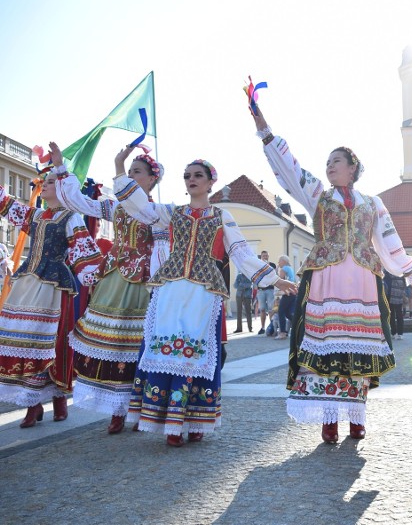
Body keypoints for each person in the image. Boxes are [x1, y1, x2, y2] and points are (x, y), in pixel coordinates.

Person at [252, 105, 412, 444]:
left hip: (361, 280)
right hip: (327, 277)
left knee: (358, 347)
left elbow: (389, 239)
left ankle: (356, 415)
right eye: (328, 162)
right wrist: (265, 131)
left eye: (336, 161)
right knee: (327, 346)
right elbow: (291, 170)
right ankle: (329, 418)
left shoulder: (372, 203)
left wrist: (409, 273)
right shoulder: (319, 195)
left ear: (352, 168)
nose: (329, 166)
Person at [118, 159, 296, 447]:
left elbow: (241, 253)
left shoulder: (221, 216)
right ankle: (170, 422)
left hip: (204, 293)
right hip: (171, 290)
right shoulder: (171, 214)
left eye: (198, 175)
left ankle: (196, 418)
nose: (191, 179)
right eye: (187, 175)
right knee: (167, 350)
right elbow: (139, 206)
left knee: (196, 354)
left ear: (211, 181)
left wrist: (275, 280)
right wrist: (118, 169)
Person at [49, 143, 168, 434]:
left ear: (152, 179)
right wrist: (61, 168)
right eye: (129, 172)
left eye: (137, 172)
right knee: (111, 344)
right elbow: (79, 202)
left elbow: (164, 250)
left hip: (142, 280)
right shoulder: (115, 207)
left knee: (137, 346)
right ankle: (117, 409)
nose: (130, 177)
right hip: (113, 277)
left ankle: (138, 407)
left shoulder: (157, 211)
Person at [0, 160, 102, 428]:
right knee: (24, 341)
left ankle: (57, 398)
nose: (42, 186)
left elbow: (84, 251)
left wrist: (97, 280)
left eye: (49, 183)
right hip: (27, 282)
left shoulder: (70, 217)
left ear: (62, 189)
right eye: (42, 182)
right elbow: (7, 204)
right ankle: (32, 403)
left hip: (53, 285)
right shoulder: (34, 215)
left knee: (51, 343)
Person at [276, 255, 297, 339]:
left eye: (279, 261)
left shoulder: (284, 268)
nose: (278, 263)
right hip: (293, 291)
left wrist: (276, 270)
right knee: (288, 313)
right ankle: (299, 326)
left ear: (283, 261)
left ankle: (282, 333)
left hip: (287, 291)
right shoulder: (290, 268)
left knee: (281, 311)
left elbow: (279, 280)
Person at [255, 250, 276, 334]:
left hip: (270, 289)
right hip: (261, 290)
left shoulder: (272, 265)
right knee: (262, 309)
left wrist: (267, 266)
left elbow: (274, 275)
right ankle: (262, 327)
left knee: (271, 309)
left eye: (266, 255)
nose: (265, 257)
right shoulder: (258, 266)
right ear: (261, 257)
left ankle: (272, 327)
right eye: (263, 256)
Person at [384, 271, 407, 340]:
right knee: (391, 314)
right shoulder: (387, 270)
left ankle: (400, 333)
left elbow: (404, 280)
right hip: (389, 292)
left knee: (398, 313)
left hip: (397, 292)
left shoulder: (399, 268)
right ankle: (393, 332)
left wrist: (404, 294)